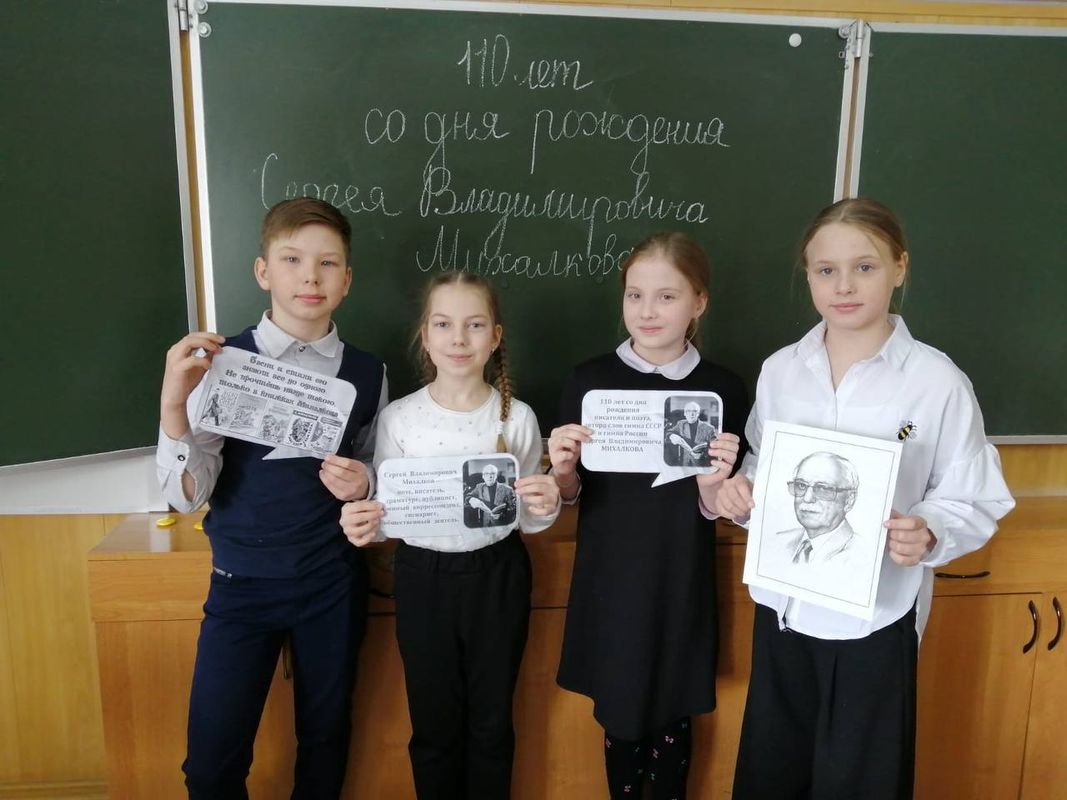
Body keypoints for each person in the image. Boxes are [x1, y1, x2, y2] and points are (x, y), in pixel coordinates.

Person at [709, 197, 1015, 800]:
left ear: (899, 268)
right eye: (826, 270)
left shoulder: (936, 382)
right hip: (784, 611)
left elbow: (973, 495)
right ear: (808, 276)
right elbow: (762, 462)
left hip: (876, 620)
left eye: (864, 267)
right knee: (773, 775)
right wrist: (740, 494)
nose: (843, 286)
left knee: (861, 781)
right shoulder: (781, 371)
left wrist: (930, 529)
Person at [156, 197, 387, 799]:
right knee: (211, 763)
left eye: (328, 263)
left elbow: (376, 467)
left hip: (331, 582)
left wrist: (365, 483)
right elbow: (188, 496)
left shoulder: (368, 372)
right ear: (263, 272)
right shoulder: (222, 362)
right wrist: (174, 405)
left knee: (325, 742)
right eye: (292, 259)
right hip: (241, 582)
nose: (310, 276)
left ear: (347, 280)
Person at [340, 272, 560, 800]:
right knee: (434, 724)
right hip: (424, 578)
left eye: (474, 325)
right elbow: (389, 513)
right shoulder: (399, 418)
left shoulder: (518, 417)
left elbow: (528, 519)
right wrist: (363, 522)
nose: (458, 338)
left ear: (495, 336)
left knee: (492, 722)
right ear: (425, 335)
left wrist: (546, 503)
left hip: (498, 574)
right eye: (443, 324)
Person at [548, 231, 748, 799]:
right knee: (621, 709)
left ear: (699, 302)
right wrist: (562, 469)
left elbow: (722, 504)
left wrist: (715, 483)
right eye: (635, 295)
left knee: (672, 709)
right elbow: (572, 491)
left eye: (667, 296)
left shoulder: (722, 388)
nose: (647, 311)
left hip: (679, 575)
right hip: (611, 578)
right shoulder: (589, 381)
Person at [777, 452, 859, 565]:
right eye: (801, 485)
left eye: (823, 488)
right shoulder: (777, 541)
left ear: (849, 500)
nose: (807, 498)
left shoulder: (863, 555)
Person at [465, 461, 518, 527]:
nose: (489, 476)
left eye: (492, 473)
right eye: (486, 474)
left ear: (496, 476)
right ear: (483, 476)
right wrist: (471, 499)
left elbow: (514, 509)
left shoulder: (507, 489)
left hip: (501, 525)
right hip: (484, 524)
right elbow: (468, 496)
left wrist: (503, 514)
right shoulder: (479, 487)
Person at [666, 400, 717, 466]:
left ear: (698, 413)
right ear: (685, 413)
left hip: (701, 465)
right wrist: (671, 436)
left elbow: (715, 448)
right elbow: (668, 432)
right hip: (684, 463)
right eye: (688, 411)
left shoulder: (709, 428)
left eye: (694, 411)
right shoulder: (681, 424)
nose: (691, 414)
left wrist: (703, 454)